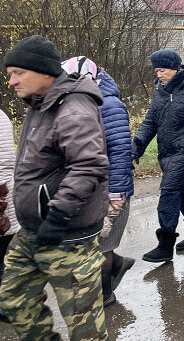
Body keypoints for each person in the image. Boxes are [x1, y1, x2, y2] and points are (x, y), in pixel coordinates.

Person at [0, 35, 109, 339]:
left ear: (44, 72)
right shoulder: (39, 103)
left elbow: (89, 165)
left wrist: (58, 216)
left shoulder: (73, 107)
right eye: (10, 74)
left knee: (85, 328)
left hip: (67, 235)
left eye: (18, 73)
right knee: (13, 297)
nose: (11, 81)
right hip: (33, 230)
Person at [61, 57, 135, 308]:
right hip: (91, 189)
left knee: (102, 246)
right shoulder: (82, 101)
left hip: (110, 190)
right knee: (97, 244)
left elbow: (121, 150)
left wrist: (116, 193)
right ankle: (118, 264)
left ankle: (105, 295)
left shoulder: (110, 105)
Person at [133, 49, 184, 262]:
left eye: (163, 70)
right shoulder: (160, 90)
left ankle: (165, 245)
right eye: (156, 70)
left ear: (175, 69)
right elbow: (150, 121)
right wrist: (137, 145)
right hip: (167, 152)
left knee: (169, 195)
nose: (159, 74)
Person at [0, 109, 19, 324]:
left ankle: (9, 304)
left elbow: (3, 166)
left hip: (2, 203)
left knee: (4, 255)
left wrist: (1, 205)